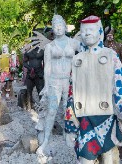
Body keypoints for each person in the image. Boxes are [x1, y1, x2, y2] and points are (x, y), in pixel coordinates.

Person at [65, 15, 122, 163]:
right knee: (85, 158)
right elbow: (72, 93)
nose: (87, 33)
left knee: (109, 158)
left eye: (91, 30)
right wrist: (70, 125)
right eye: (84, 30)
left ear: (100, 32)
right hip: (85, 118)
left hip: (107, 117)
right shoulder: (77, 60)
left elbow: (120, 83)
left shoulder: (110, 55)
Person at [36, 15, 80, 156]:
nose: (58, 28)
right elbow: (47, 68)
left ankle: (68, 135)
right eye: (55, 26)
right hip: (54, 81)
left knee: (69, 110)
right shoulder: (49, 46)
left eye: (61, 25)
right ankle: (46, 138)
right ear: (53, 29)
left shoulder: (73, 43)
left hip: (69, 81)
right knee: (52, 111)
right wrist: (46, 86)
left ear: (65, 27)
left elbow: (85, 55)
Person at [23, 45, 44, 110]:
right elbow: (24, 62)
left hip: (39, 73)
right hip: (30, 74)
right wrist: (30, 68)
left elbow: (46, 62)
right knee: (29, 90)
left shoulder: (42, 51)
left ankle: (42, 106)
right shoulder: (28, 52)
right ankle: (29, 106)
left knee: (40, 91)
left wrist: (43, 72)